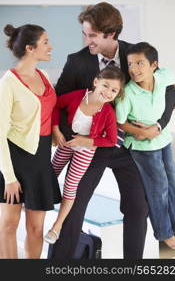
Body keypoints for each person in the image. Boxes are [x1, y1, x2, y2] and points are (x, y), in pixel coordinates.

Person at [48, 2, 175, 259]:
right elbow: (59, 101)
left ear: (111, 34)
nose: (87, 41)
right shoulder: (77, 61)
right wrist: (68, 134)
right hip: (90, 149)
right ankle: (58, 265)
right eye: (85, 34)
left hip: (129, 147)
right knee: (73, 207)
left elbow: (169, 89)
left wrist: (158, 125)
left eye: (93, 35)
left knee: (138, 208)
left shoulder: (137, 54)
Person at [116, 42, 175, 251]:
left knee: (173, 182)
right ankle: (164, 232)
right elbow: (120, 122)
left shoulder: (162, 76)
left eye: (140, 63)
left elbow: (174, 86)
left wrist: (158, 125)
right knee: (159, 188)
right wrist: (142, 132)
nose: (134, 69)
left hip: (163, 140)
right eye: (130, 64)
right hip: (142, 147)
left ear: (154, 65)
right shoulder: (127, 93)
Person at [44, 66, 125, 244]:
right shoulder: (78, 96)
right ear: (96, 82)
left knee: (71, 185)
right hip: (67, 142)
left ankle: (56, 227)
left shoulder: (108, 113)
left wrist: (88, 142)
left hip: (85, 151)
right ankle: (36, 204)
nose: (108, 92)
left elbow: (112, 140)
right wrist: (56, 129)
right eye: (105, 86)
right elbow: (57, 105)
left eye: (114, 90)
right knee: (51, 172)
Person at [0, 24, 61, 259]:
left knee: (36, 229)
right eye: (45, 42)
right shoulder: (8, 83)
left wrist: (55, 132)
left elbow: (48, 111)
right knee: (8, 225)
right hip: (14, 159)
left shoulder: (44, 76)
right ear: (29, 48)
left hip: (40, 158)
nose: (51, 46)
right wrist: (9, 177)